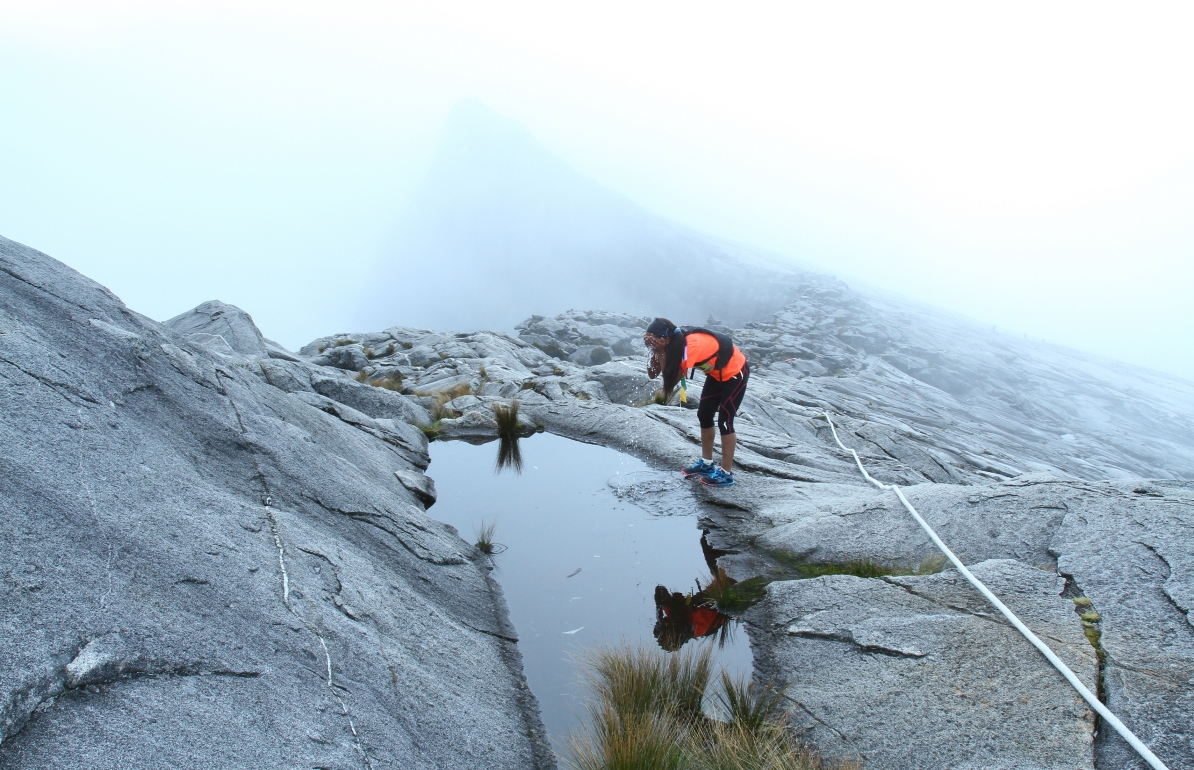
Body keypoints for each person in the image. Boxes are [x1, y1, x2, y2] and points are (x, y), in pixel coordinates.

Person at [643, 318, 749, 487]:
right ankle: (707, 464)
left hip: (735, 372)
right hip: (717, 374)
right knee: (704, 414)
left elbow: (669, 383)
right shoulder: (670, 342)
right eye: (647, 338)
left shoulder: (690, 346)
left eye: (653, 339)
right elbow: (652, 374)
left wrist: (661, 351)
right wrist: (653, 349)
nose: (650, 341)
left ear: (665, 339)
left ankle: (726, 474)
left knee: (725, 421)